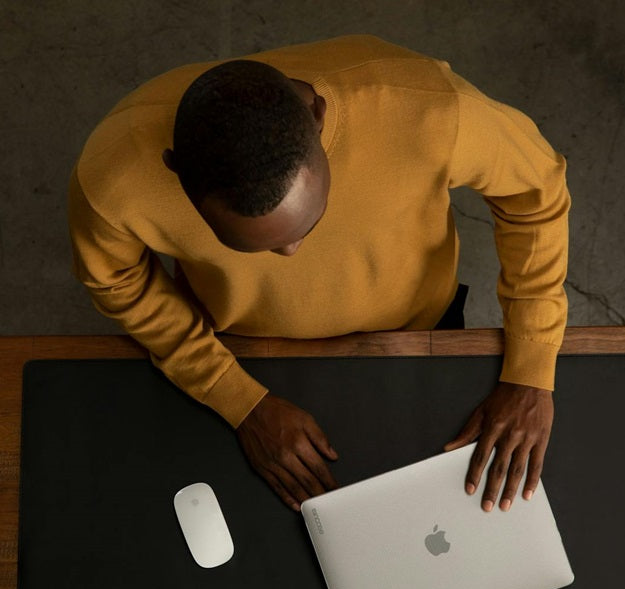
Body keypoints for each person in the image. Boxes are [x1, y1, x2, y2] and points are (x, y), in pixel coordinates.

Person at [68, 34, 570, 514]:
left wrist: (531, 370)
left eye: (310, 221)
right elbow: (117, 281)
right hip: (237, 348)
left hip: (420, 331)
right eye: (251, 245)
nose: (291, 253)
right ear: (174, 171)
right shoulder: (116, 179)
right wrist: (234, 394)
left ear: (319, 116)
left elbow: (536, 195)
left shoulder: (428, 107)